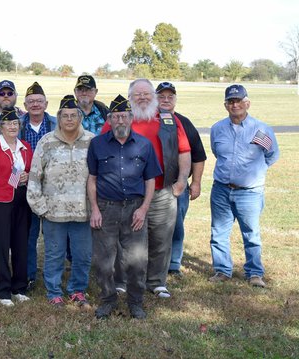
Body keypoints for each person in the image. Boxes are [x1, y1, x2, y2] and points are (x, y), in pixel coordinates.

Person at [101, 79, 190, 299]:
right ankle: (122, 281)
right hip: (129, 196)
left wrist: (181, 181)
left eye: (146, 93)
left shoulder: (169, 120)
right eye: (137, 94)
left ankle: (157, 282)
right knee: (127, 242)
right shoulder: (118, 118)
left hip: (162, 192)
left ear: (154, 96)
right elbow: (102, 148)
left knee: (161, 238)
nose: (142, 97)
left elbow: (184, 151)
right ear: (130, 97)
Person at [88, 95, 161, 320]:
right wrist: (95, 209)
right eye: (116, 116)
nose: (120, 120)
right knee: (104, 262)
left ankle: (135, 302)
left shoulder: (144, 145)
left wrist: (144, 209)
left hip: (134, 209)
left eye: (124, 116)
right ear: (109, 119)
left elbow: (150, 180)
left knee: (137, 261)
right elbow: (92, 178)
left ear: (131, 118)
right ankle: (108, 300)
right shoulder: (97, 144)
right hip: (106, 209)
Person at [208, 85, 279, 287]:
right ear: (225, 105)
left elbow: (272, 155)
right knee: (219, 232)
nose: (235, 104)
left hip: (249, 192)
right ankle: (222, 271)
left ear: (247, 103)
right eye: (231, 101)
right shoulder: (217, 129)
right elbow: (216, 151)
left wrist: (253, 174)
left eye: (238, 100)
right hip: (221, 189)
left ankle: (255, 273)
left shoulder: (260, 129)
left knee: (251, 233)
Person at [27, 95, 94, 307]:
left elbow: (98, 177)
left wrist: (96, 208)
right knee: (54, 254)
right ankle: (53, 291)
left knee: (82, 255)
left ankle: (77, 289)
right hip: (54, 213)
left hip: (83, 212)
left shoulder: (92, 141)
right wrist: (41, 208)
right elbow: (35, 177)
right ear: (59, 118)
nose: (69, 119)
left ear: (80, 117)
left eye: (73, 115)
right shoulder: (46, 142)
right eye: (65, 116)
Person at [155, 82, 207, 276]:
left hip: (177, 185)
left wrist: (196, 182)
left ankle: (174, 265)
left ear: (175, 99)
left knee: (176, 225)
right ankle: (153, 263)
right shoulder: (148, 120)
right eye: (161, 96)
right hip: (152, 185)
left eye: (170, 97)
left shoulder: (184, 123)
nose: (166, 100)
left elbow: (199, 156)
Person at [0, 110, 32, 307]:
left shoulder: (25, 147)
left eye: (15, 123)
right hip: (1, 201)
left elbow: (29, 170)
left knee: (21, 244)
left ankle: (19, 287)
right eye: (8, 123)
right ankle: (2, 291)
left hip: (22, 200)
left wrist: (27, 176)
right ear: (0, 127)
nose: (12, 126)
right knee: (2, 246)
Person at [18, 82, 57, 291]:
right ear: (25, 104)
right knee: (28, 236)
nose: (35, 105)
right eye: (31, 101)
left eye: (39, 101)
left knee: (53, 237)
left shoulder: (56, 123)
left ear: (46, 103)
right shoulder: (17, 125)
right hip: (26, 188)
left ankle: (53, 276)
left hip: (52, 188)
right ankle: (29, 275)